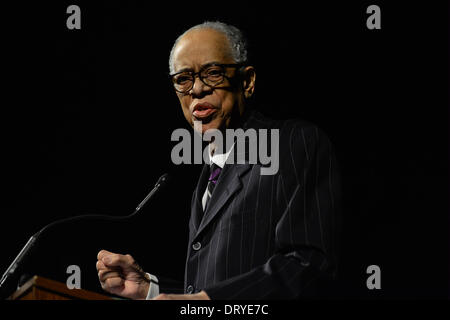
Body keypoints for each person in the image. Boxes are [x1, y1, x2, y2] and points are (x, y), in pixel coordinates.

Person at [96, 21, 341, 300]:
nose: (197, 90)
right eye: (183, 79)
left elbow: (309, 266)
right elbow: (214, 286)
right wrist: (150, 289)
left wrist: (208, 302)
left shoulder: (292, 142)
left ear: (247, 82)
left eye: (212, 73)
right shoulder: (209, 175)